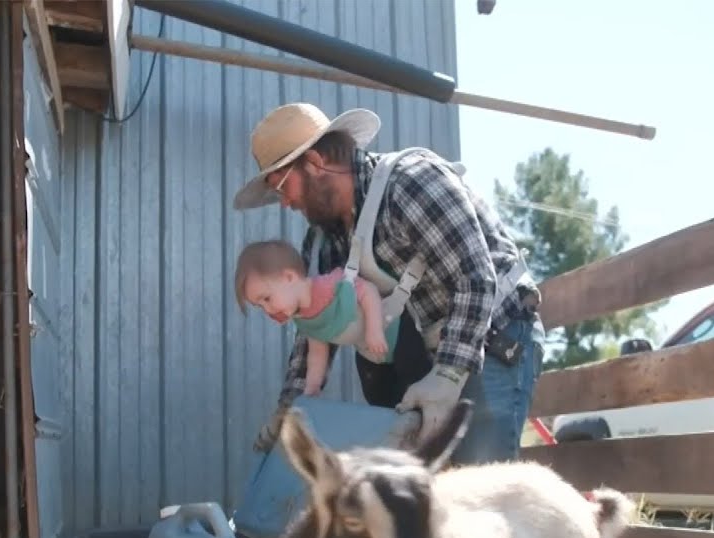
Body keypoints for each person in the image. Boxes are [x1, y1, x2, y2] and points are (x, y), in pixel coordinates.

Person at [232, 102, 545, 465]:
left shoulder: (411, 183)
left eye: (282, 187)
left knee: (480, 486)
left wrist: (447, 374)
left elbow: (475, 276)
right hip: (431, 350)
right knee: (427, 490)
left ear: (316, 163)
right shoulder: (325, 240)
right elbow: (315, 319)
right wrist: (290, 409)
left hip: (496, 333)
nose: (285, 203)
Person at [233, 238, 422, 395]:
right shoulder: (304, 317)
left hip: (396, 332)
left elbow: (368, 291)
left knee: (415, 381)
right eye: (260, 306)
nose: (267, 309)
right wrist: (312, 387)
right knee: (379, 396)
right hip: (371, 354)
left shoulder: (327, 286)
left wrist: (374, 330)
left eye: (267, 298)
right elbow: (317, 352)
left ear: (289, 277)